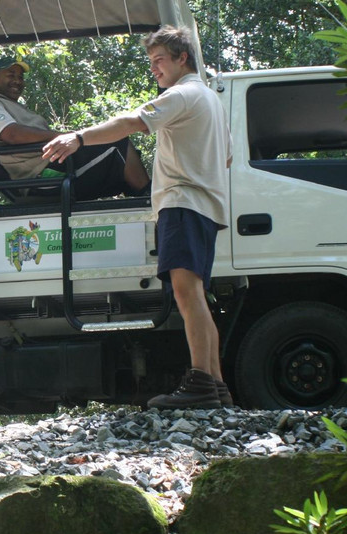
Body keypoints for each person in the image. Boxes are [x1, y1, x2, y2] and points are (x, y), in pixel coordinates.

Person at [41, 26, 233, 410]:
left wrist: (78, 138)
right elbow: (226, 158)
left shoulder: (181, 95)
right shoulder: (211, 100)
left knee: (186, 294)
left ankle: (200, 383)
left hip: (183, 203)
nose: (154, 69)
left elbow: (131, 122)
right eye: (151, 62)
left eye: (159, 60)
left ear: (182, 58)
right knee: (196, 295)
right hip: (206, 208)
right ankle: (215, 386)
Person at [0, 56, 150, 200]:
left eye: (20, 77)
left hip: (54, 163)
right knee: (118, 143)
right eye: (11, 75)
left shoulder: (13, 106)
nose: (17, 80)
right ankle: (149, 199)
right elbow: (12, 134)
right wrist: (63, 137)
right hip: (40, 176)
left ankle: (143, 199)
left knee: (120, 160)